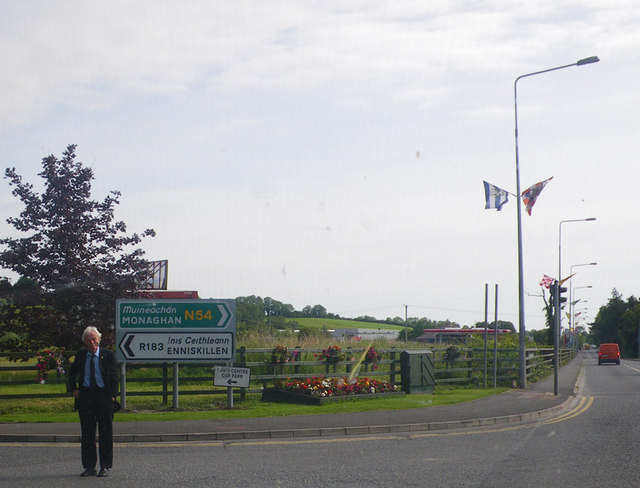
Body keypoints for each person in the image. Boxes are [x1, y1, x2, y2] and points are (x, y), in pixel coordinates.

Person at [67, 326, 118, 477]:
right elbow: (71, 373)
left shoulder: (108, 355)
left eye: (94, 339)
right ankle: (89, 467)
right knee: (87, 435)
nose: (92, 342)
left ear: (99, 339)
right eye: (88, 340)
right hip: (86, 398)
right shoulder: (81, 355)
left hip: (104, 398)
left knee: (105, 434)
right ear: (85, 342)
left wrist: (113, 395)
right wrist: (74, 389)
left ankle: (105, 467)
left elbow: (115, 377)